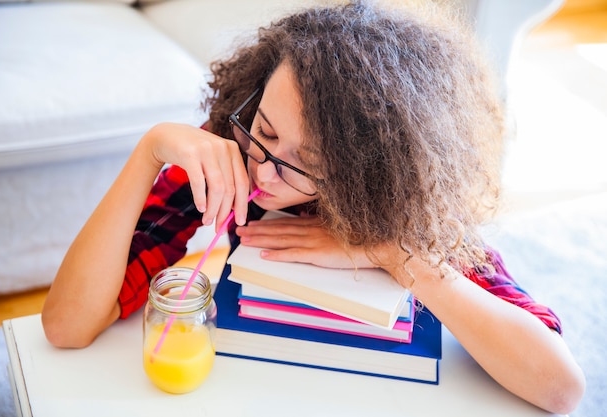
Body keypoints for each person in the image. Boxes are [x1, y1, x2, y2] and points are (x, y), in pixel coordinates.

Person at [41, 1, 584, 413]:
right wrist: (149, 152)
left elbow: (560, 387)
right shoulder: (235, 152)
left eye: (308, 163)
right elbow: (68, 325)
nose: (266, 170)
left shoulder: (403, 203)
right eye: (267, 129)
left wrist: (389, 254)